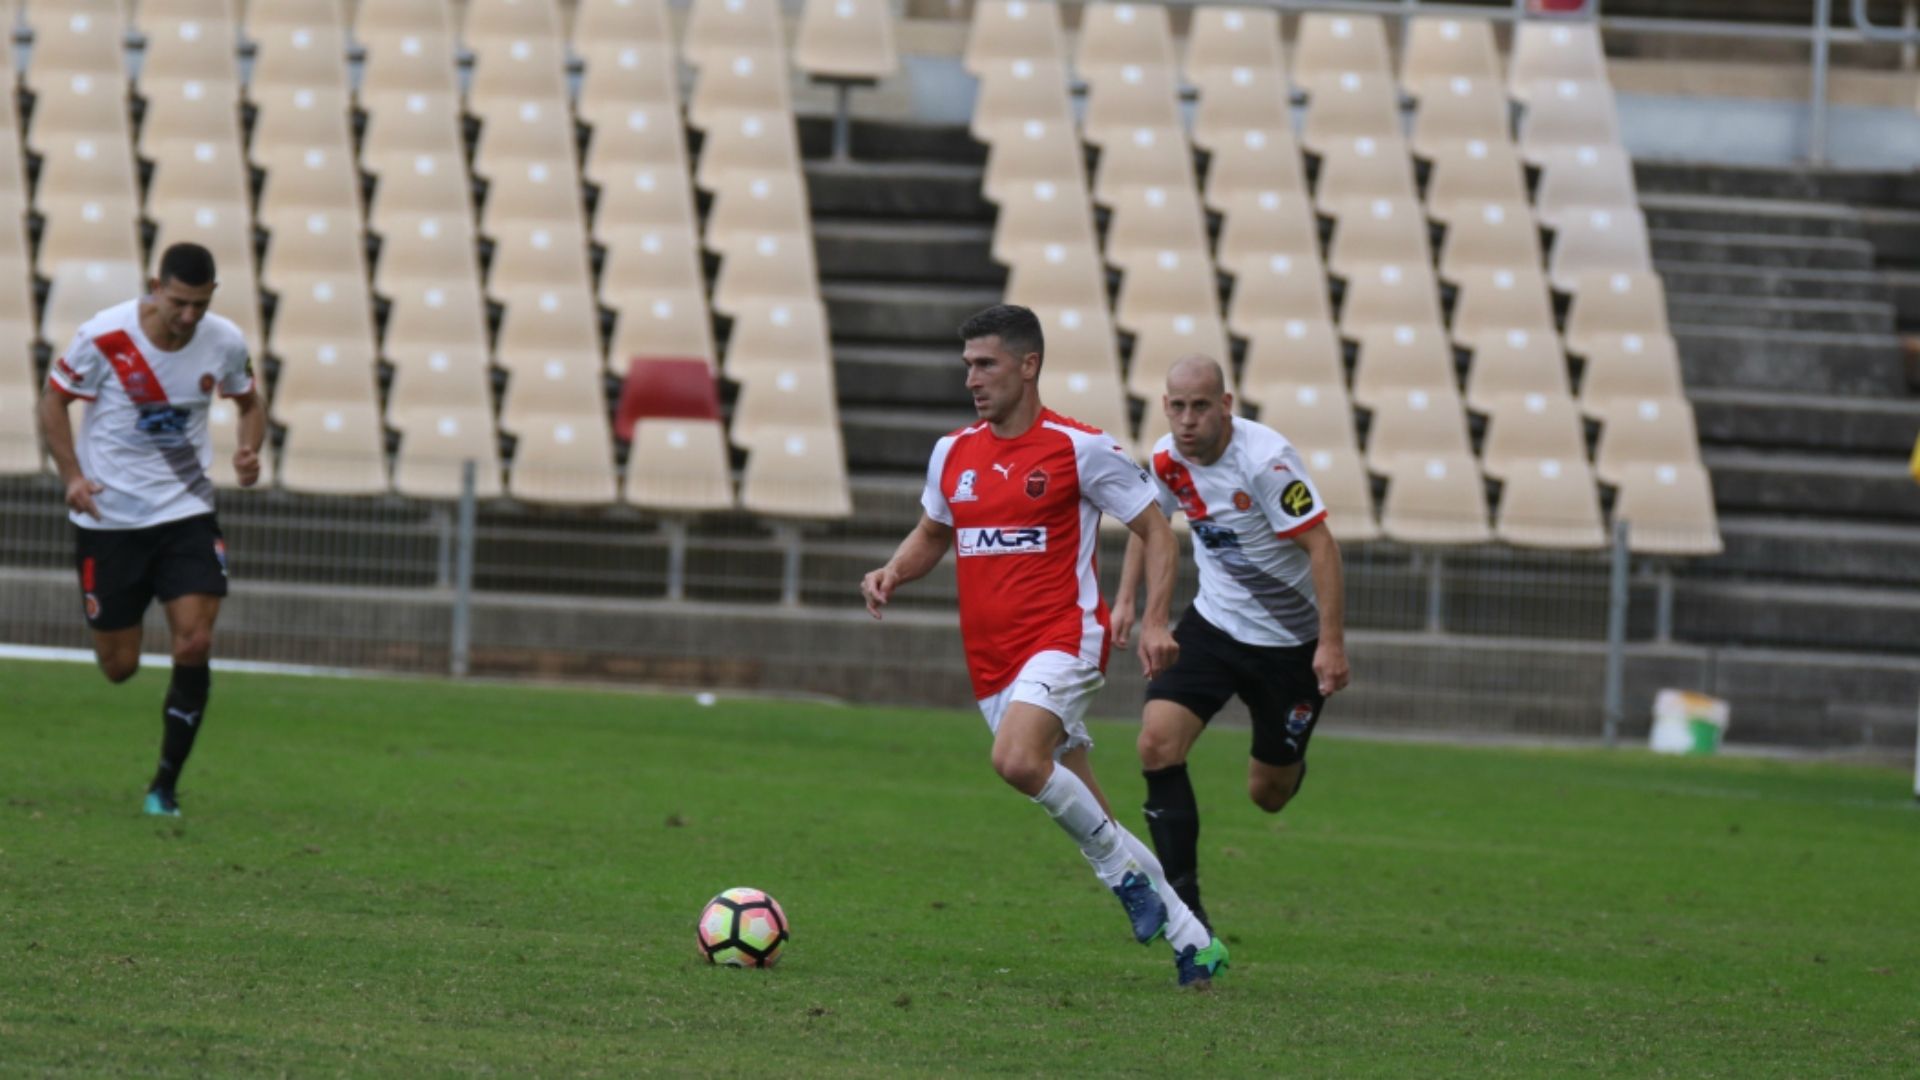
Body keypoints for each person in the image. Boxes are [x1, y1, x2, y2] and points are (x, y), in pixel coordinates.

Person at [861, 304, 1229, 988]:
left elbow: (1156, 530)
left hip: (1065, 639)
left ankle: (1119, 877)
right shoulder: (953, 452)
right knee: (1095, 813)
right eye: (968, 365)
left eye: (986, 364)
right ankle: (1194, 940)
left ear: (1028, 365)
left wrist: (1154, 621)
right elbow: (934, 532)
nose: (972, 379)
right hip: (993, 665)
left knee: (1015, 760)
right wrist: (893, 571)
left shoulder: (1079, 448)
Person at [1110, 356, 1351, 933]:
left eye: (1200, 406)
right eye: (1177, 406)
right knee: (1156, 744)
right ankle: (1186, 910)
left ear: (1225, 405)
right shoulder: (1166, 458)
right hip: (1214, 627)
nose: (1187, 419)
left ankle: (1288, 760)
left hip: (1289, 646)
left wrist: (1331, 644)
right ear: (1165, 406)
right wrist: (1129, 604)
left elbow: (1322, 546)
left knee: (1269, 794)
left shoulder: (1266, 462)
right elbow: (1148, 527)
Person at [36, 242, 265, 818]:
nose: (188, 316)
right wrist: (72, 476)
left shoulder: (225, 341)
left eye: (200, 305)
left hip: (185, 511)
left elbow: (250, 403)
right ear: (156, 287)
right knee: (120, 667)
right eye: (179, 302)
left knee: (195, 641)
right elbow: (53, 401)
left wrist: (249, 449)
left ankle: (165, 786)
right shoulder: (105, 336)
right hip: (109, 519)